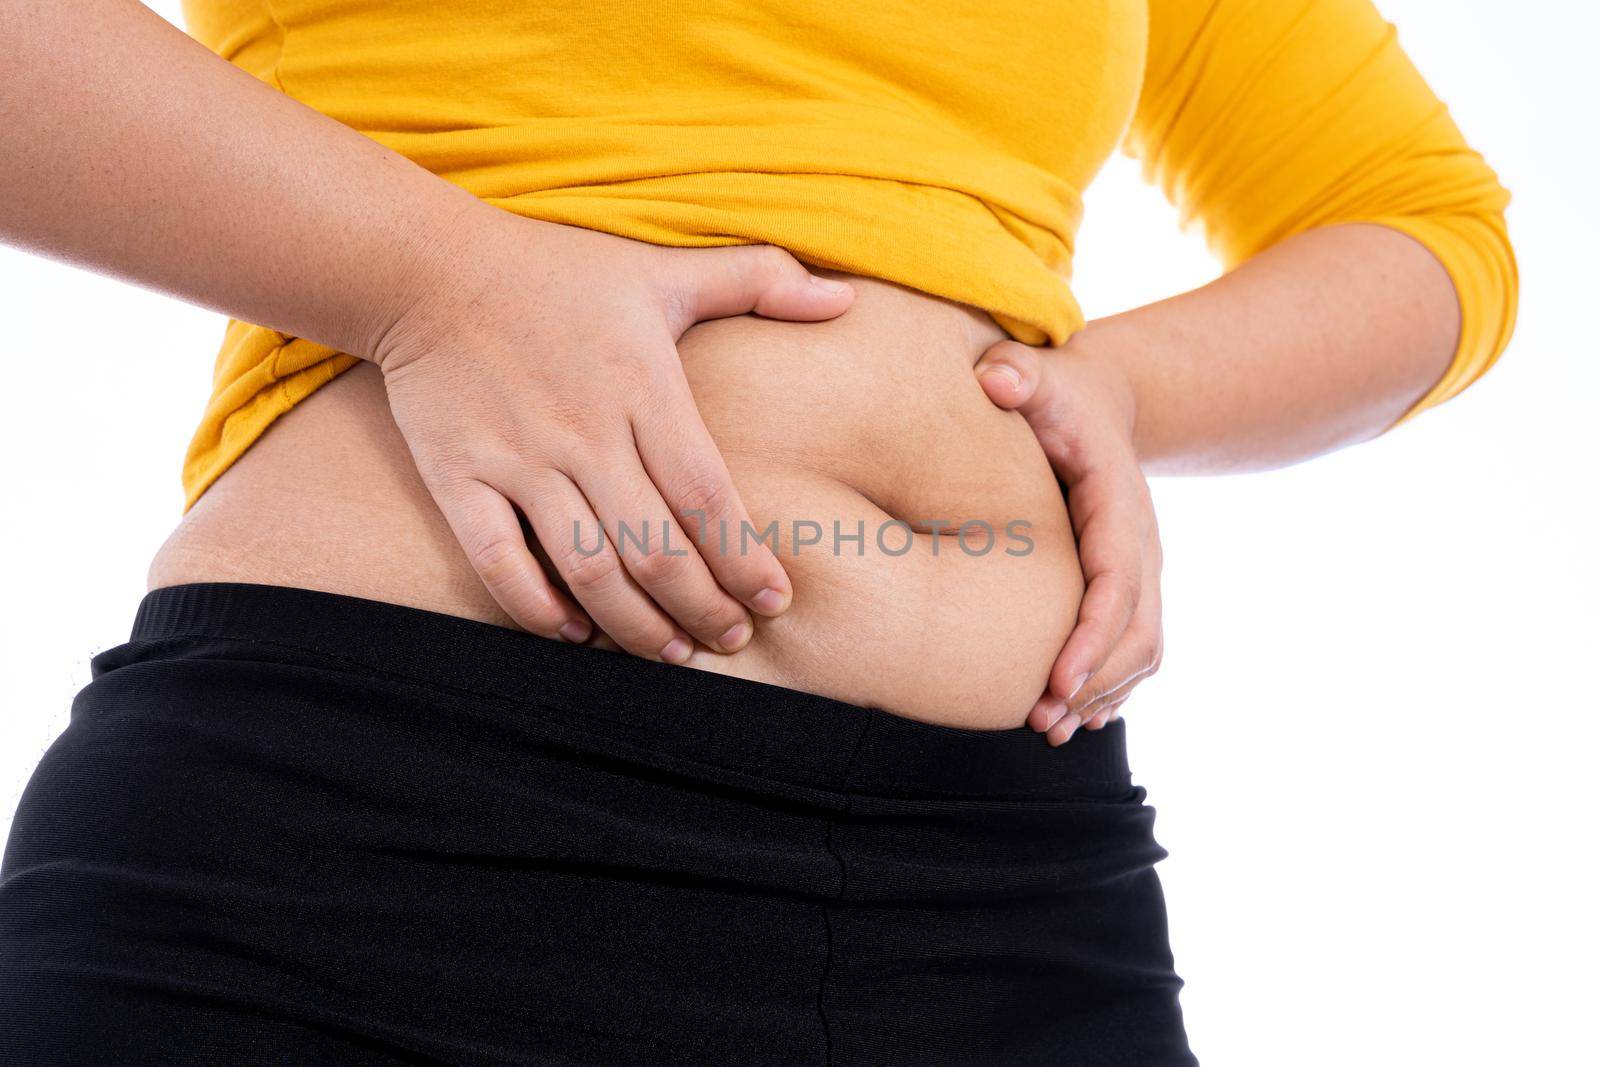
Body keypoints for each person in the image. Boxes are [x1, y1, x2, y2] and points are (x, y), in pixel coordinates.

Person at [0, 0, 1516, 1063]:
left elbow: (1416, 225)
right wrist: (435, 284)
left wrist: (1119, 393)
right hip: (383, 822)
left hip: (995, 883)